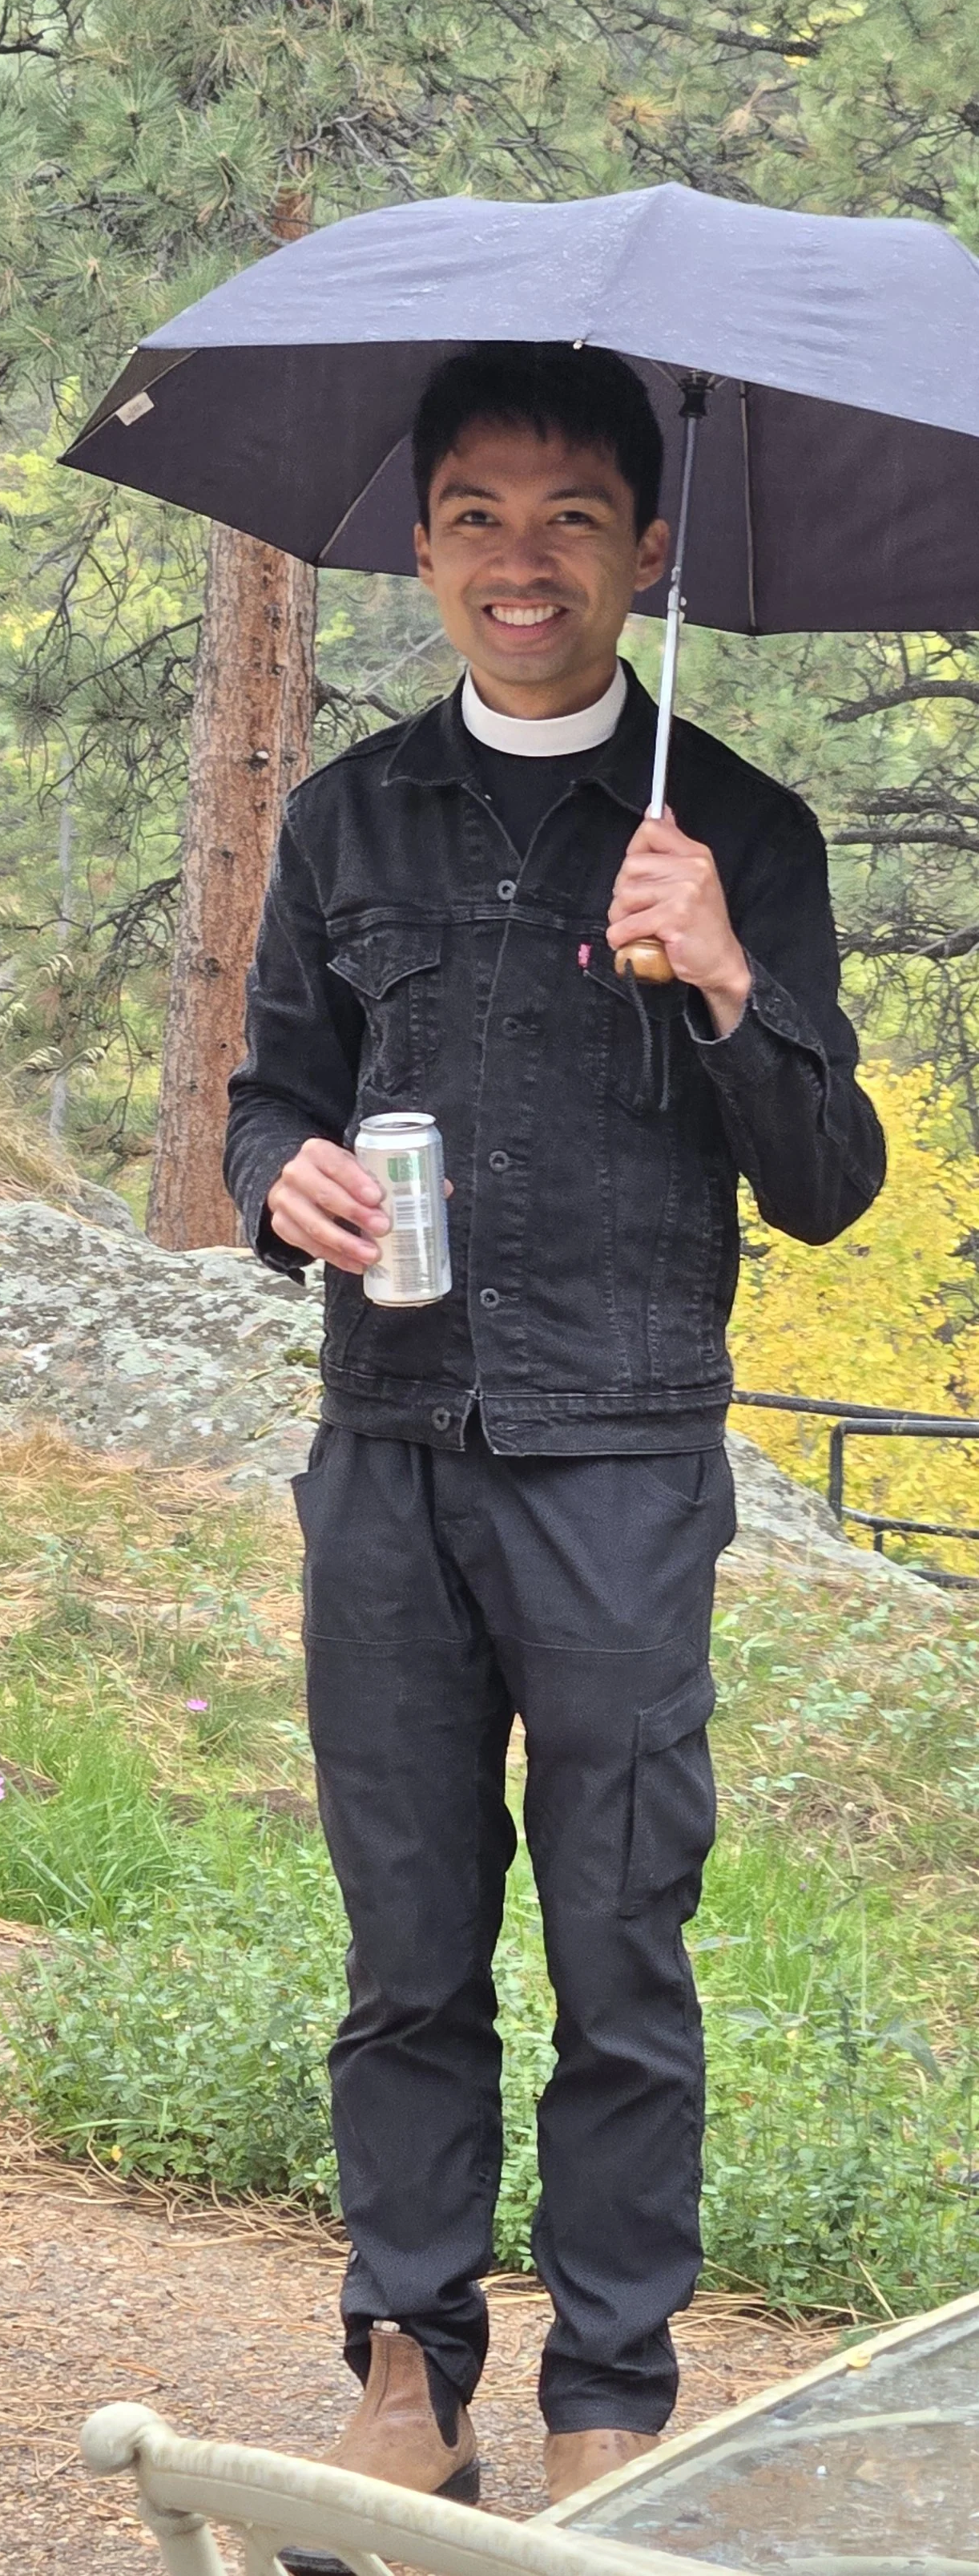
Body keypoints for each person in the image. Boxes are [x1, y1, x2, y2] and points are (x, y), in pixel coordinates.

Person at [224, 343, 884, 2511]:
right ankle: (407, 2368)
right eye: (480, 518)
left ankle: (610, 2387)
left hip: (617, 1462)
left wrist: (718, 975)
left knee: (620, 1941)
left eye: (572, 518)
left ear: (647, 549)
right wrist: (275, 1183)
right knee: (405, 1940)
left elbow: (821, 1178)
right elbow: (266, 1094)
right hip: (386, 1454)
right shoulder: (345, 817)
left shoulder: (738, 833)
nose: (525, 563)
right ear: (422, 547)